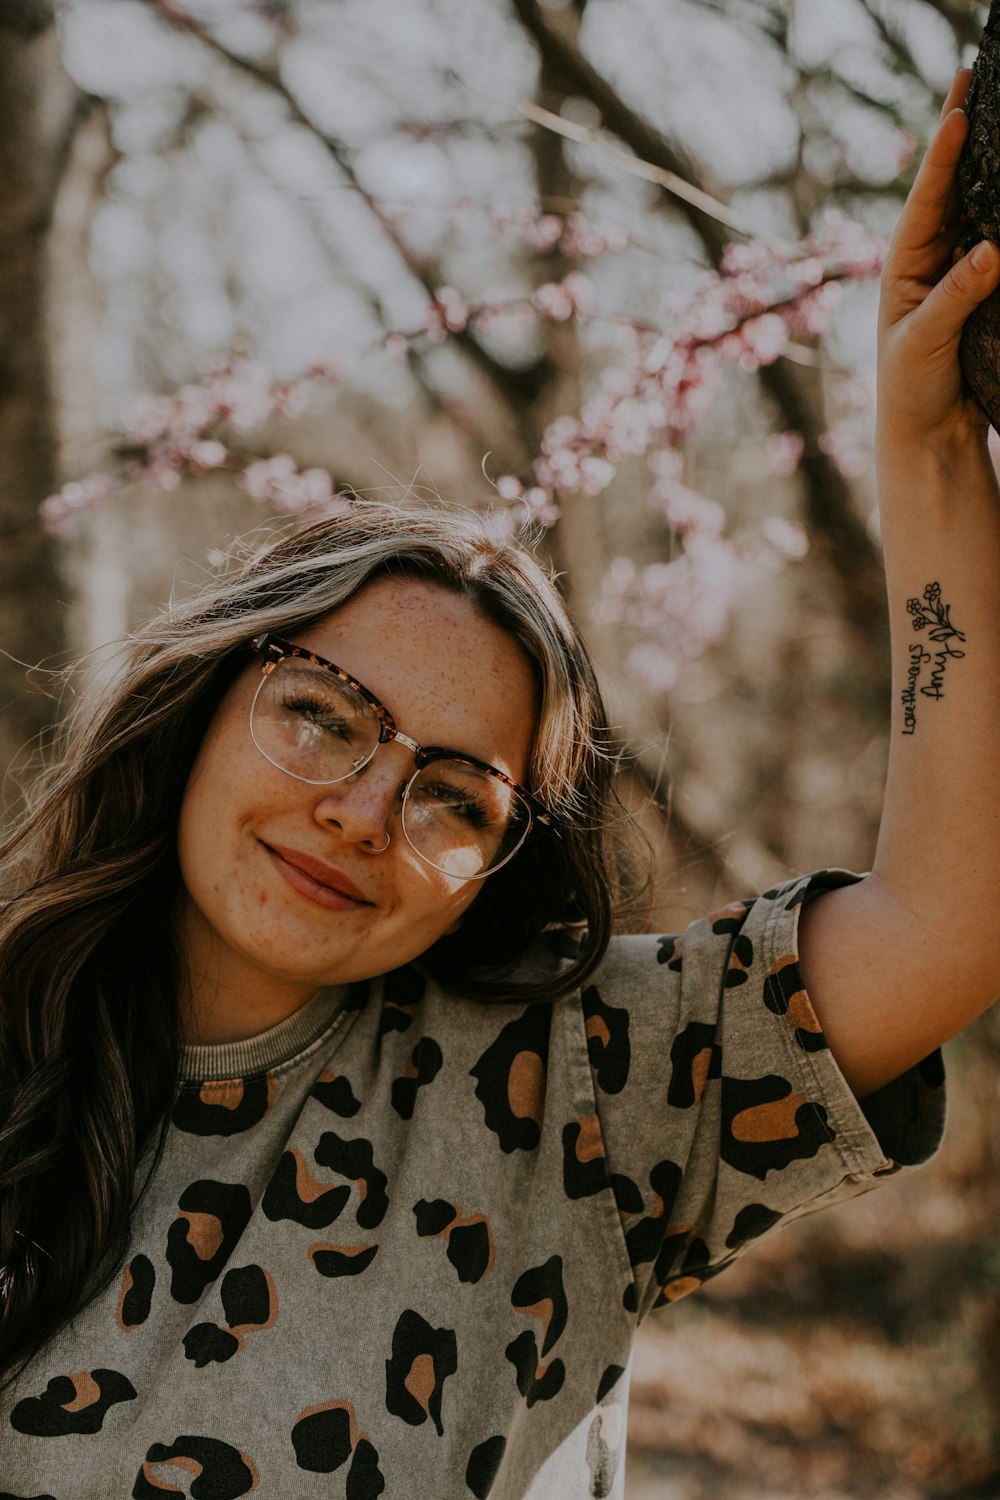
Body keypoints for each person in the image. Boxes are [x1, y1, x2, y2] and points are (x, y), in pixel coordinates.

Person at [1, 67, 998, 1500]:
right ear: (204, 702)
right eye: (325, 716)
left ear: (498, 865)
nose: (361, 810)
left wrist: (927, 437)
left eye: (455, 796)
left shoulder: (575, 1091)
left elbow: (949, 922)